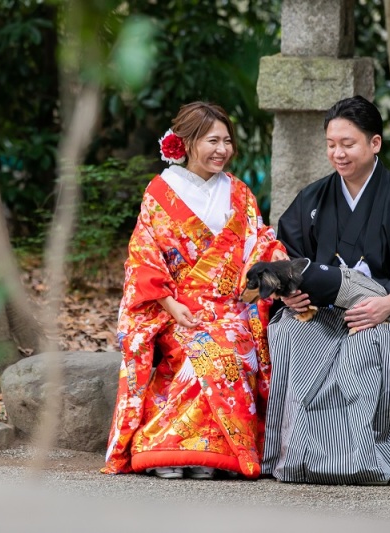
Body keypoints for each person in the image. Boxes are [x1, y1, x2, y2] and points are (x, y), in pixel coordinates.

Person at [261, 95, 390, 485]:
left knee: (362, 350)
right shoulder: (314, 197)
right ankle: (295, 455)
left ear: (375, 143)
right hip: (322, 311)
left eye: (348, 144)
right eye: (331, 144)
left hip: (384, 311)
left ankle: (356, 458)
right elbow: (286, 255)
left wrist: (389, 302)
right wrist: (289, 294)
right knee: (288, 331)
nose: (338, 153)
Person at [102, 102, 285, 480]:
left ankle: (218, 452)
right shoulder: (160, 192)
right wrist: (169, 304)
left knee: (227, 345)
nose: (222, 149)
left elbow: (261, 244)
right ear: (186, 143)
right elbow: (143, 255)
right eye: (211, 141)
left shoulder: (239, 193)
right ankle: (166, 450)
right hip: (176, 307)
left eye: (227, 141)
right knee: (200, 347)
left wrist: (277, 272)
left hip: (233, 308)